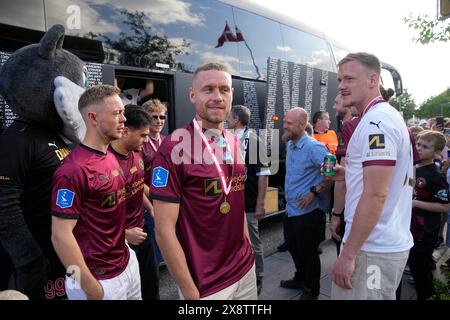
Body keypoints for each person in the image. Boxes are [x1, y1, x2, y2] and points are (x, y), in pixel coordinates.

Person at [149, 63, 256, 300]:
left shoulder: (234, 141)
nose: (217, 97)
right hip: (206, 286)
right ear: (192, 95)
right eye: (208, 89)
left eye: (224, 89)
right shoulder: (173, 148)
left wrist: (248, 248)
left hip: (245, 271)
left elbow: (235, 199)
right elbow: (164, 230)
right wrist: (188, 291)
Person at [330, 52, 414, 300]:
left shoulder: (376, 121)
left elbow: (377, 193)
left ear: (372, 79)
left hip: (371, 249)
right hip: (377, 245)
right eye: (340, 80)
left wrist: (348, 254)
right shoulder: (383, 116)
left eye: (349, 79)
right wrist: (350, 173)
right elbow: (387, 179)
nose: (342, 86)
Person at [51, 84, 141, 300]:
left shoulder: (109, 155)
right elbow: (60, 235)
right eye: (117, 113)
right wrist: (90, 287)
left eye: (123, 112)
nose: (124, 119)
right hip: (100, 280)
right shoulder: (72, 170)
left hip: (127, 263)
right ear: (93, 118)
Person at [279, 107, 332, 300]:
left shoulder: (314, 147)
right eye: (284, 121)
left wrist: (314, 192)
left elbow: (331, 172)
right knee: (293, 247)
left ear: (302, 125)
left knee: (309, 254)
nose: (284, 126)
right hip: (291, 210)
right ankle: (300, 278)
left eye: (289, 123)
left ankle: (311, 291)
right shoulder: (291, 145)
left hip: (308, 213)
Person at [109, 105, 159, 300]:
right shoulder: (105, 163)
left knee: (150, 286)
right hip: (119, 242)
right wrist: (123, 235)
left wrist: (153, 207)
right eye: (143, 135)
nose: (146, 140)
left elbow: (138, 186)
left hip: (142, 230)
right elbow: (89, 214)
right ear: (126, 131)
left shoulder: (136, 153)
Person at [227, 104, 270, 295]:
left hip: (249, 201)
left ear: (236, 119)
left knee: (252, 240)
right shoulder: (224, 138)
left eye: (229, 117)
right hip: (229, 201)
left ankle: (258, 275)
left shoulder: (254, 140)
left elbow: (263, 173)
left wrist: (261, 203)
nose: (227, 119)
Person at [409, 130, 449, 300]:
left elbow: (445, 206)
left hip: (425, 230)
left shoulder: (435, 176)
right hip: (409, 227)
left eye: (425, 146)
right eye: (418, 144)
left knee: (421, 271)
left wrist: (414, 203)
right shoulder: (413, 166)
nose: (419, 148)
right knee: (414, 266)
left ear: (437, 152)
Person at [330, 94, 360, 256]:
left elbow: (342, 180)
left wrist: (336, 214)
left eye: (336, 102)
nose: (334, 107)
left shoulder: (349, 127)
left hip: (350, 206)